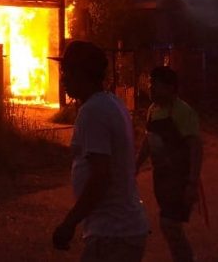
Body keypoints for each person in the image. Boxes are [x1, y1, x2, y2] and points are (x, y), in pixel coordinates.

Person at [52, 41, 149, 262]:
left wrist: (69, 222)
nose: (63, 78)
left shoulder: (93, 111)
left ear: (82, 74)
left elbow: (100, 177)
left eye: (67, 72)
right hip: (122, 230)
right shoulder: (111, 102)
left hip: (113, 233)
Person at [136, 66, 202, 262]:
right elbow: (149, 140)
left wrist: (192, 182)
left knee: (169, 224)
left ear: (171, 88)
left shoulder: (183, 111)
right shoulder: (153, 110)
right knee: (170, 225)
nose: (151, 89)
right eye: (150, 85)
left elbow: (195, 148)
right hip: (162, 178)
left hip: (179, 178)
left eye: (155, 85)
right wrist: (137, 164)